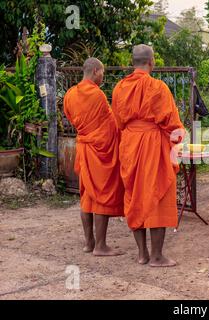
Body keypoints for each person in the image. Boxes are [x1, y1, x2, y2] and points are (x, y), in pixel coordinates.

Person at [112, 45, 185, 266]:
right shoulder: (157, 87)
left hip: (130, 145)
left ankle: (142, 253)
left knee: (135, 195)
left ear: (132, 62)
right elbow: (172, 125)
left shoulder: (119, 88)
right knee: (157, 197)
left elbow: (117, 121)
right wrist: (177, 141)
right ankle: (157, 256)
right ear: (151, 62)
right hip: (153, 145)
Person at [63, 57, 124, 256]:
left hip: (83, 148)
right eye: (102, 73)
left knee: (87, 196)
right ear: (96, 71)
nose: (102, 77)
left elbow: (73, 120)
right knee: (101, 195)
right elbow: (111, 123)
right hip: (100, 150)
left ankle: (89, 243)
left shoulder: (70, 94)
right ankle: (101, 246)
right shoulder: (97, 95)